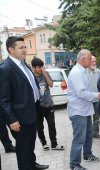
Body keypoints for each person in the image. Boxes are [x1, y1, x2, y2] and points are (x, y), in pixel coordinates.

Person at [0, 36, 49, 170]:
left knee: (30, 144)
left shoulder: (24, 64)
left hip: (32, 111)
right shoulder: (5, 68)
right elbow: (3, 99)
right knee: (23, 149)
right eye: (21, 47)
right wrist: (12, 120)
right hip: (19, 118)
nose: (25, 49)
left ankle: (32, 164)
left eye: (25, 47)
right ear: (10, 50)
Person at [67, 49, 100, 170]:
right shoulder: (76, 72)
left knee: (88, 135)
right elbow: (81, 93)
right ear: (83, 59)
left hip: (85, 110)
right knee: (79, 139)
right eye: (89, 59)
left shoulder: (83, 71)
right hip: (78, 111)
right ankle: (74, 164)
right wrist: (96, 95)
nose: (91, 61)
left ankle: (87, 155)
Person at [31, 58, 64, 151]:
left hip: (49, 104)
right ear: (33, 67)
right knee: (40, 126)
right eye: (38, 67)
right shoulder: (31, 77)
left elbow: (51, 85)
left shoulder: (45, 74)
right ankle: (44, 143)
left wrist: (45, 74)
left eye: (42, 66)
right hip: (38, 106)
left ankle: (54, 144)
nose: (41, 69)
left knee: (52, 124)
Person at [86, 55, 100, 139]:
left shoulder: (98, 71)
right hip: (87, 99)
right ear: (88, 62)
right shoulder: (84, 72)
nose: (94, 63)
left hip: (97, 99)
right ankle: (87, 134)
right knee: (87, 118)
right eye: (92, 61)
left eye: (95, 61)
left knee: (96, 117)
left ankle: (95, 133)